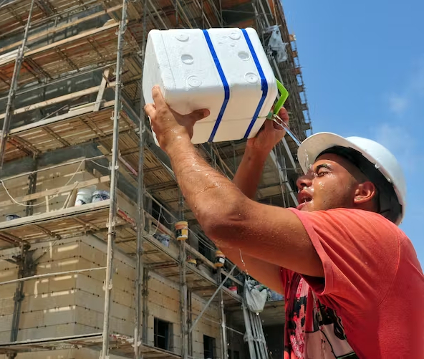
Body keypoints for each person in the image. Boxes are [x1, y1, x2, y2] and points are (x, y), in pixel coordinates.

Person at [144, 86, 424, 359]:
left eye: (322, 172)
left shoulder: (374, 238)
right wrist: (257, 150)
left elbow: (225, 219)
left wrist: (175, 137)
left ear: (363, 193)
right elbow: (233, 241)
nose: (302, 180)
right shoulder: (306, 274)